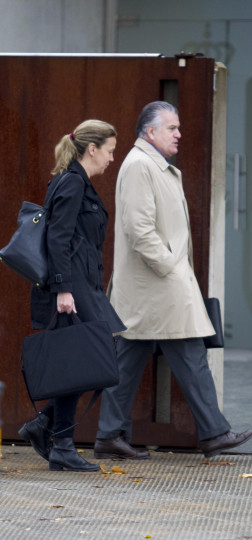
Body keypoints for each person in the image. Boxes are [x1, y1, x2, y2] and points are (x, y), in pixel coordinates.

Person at [94, 101, 252, 460]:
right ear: (150, 132)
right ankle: (214, 433)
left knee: (130, 360)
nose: (179, 134)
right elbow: (139, 229)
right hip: (158, 285)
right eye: (172, 128)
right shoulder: (139, 166)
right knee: (189, 354)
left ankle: (109, 436)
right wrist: (171, 267)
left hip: (153, 288)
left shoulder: (152, 165)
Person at [18, 119, 128, 472]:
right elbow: (58, 239)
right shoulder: (73, 183)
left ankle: (46, 427)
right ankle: (60, 442)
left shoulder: (75, 182)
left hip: (83, 284)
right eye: (109, 151)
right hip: (73, 288)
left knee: (85, 361)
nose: (112, 158)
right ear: (91, 149)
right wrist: (63, 290)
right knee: (82, 361)